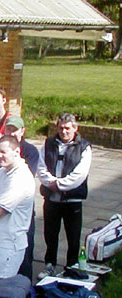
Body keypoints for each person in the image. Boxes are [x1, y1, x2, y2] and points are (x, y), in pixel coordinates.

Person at [0, 116, 39, 280]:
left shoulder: (20, 177)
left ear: (17, 152)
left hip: (8, 244)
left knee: (3, 288)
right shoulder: (1, 173)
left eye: (3, 152)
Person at [37, 113, 92, 279]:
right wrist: (50, 183)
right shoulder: (48, 144)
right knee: (50, 234)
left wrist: (58, 185)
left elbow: (79, 175)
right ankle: (50, 265)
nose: (64, 131)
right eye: (61, 128)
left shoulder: (84, 147)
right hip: (51, 200)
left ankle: (71, 267)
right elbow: (41, 168)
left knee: (73, 236)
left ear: (75, 128)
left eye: (68, 128)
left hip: (72, 200)